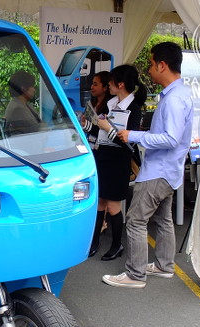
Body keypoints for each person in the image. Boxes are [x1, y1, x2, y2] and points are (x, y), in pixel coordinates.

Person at [102, 41, 193, 288]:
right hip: (169, 171)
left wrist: (133, 135)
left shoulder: (174, 99)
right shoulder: (179, 94)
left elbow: (171, 138)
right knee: (163, 220)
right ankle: (164, 265)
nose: (149, 70)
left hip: (158, 171)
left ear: (163, 65)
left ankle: (135, 275)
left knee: (136, 220)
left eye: (152, 65)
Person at [83, 65, 146, 260]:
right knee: (100, 202)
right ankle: (94, 243)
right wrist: (87, 124)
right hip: (103, 157)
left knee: (113, 206)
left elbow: (129, 141)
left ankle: (117, 245)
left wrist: (107, 128)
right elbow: (99, 132)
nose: (108, 85)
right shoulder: (111, 104)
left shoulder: (133, 108)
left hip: (119, 161)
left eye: (110, 82)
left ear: (120, 84)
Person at [5, 70, 41, 135]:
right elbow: (35, 130)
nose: (34, 89)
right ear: (23, 88)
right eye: (32, 86)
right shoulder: (17, 109)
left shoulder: (24, 104)